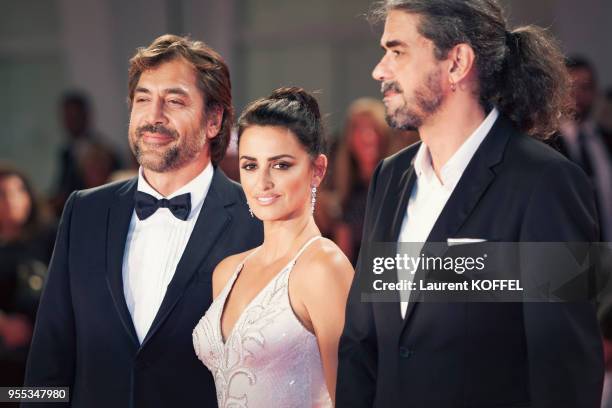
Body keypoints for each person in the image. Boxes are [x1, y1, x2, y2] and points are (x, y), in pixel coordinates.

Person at [337, 1, 604, 407]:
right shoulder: (389, 179)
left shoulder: (546, 184)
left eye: (397, 51)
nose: (380, 70)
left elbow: (563, 372)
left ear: (457, 62)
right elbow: (362, 342)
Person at [23, 34, 263, 408]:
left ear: (214, 120)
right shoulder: (82, 212)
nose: (153, 117)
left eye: (175, 101)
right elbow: (47, 358)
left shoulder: (258, 219)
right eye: (143, 99)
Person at [193, 87, 353, 407]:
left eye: (280, 165)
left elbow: (351, 398)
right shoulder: (226, 272)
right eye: (250, 165)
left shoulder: (324, 267)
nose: (262, 182)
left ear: (317, 170)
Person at [0, 165, 55, 391]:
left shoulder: (50, 237)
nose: (13, 200)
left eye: (18, 191)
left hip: (46, 349)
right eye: (3, 194)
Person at [555, 57, 612, 241]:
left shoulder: (606, 139)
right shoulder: (546, 143)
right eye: (571, 87)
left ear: (595, 92)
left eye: (585, 87)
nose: (577, 95)